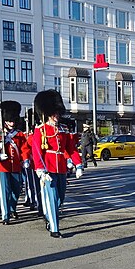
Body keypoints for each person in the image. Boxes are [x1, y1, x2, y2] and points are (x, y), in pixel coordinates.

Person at [31, 90, 84, 238]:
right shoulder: (40, 130)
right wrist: (40, 170)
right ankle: (54, 228)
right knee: (52, 197)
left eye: (58, 113)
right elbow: (37, 151)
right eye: (54, 113)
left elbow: (70, 149)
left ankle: (48, 216)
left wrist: (78, 164)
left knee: (60, 197)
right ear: (47, 113)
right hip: (47, 167)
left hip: (61, 167)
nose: (57, 116)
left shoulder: (63, 129)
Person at [0, 101, 31, 225]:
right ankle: (5, 215)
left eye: (13, 121)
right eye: (10, 121)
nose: (12, 123)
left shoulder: (19, 135)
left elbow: (24, 148)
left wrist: (25, 159)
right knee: (4, 190)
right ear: (4, 121)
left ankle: (12, 209)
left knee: (16, 190)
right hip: (1, 167)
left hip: (15, 165)